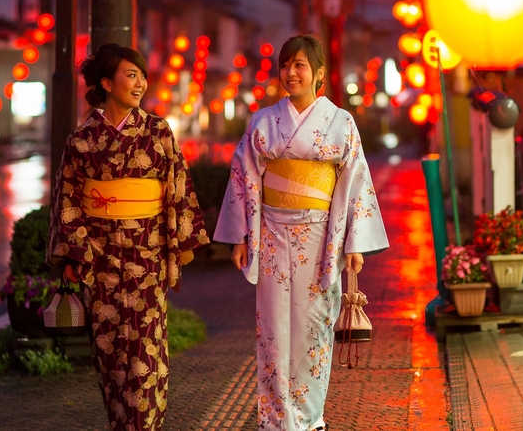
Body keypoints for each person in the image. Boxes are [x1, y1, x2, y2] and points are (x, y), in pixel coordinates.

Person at [214, 34, 388, 431]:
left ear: (319, 74)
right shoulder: (262, 122)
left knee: (314, 327)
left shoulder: (341, 123)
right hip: (272, 233)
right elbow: (244, 177)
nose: (290, 73)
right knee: (273, 329)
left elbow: (355, 181)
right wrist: (241, 237)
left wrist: (353, 244)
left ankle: (310, 419)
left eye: (300, 66)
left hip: (320, 235)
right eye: (285, 65)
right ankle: (277, 421)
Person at [47, 43, 209, 430]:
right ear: (106, 82)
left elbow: (176, 190)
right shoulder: (82, 140)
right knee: (110, 359)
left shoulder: (157, 132)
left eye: (141, 75)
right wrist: (73, 257)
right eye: (130, 74)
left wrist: (176, 246)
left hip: (147, 259)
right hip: (99, 262)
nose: (140, 83)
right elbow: (68, 199)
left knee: (144, 360)